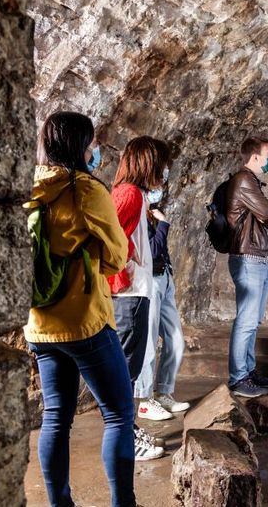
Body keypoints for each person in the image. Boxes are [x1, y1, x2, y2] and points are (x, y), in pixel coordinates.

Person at [25, 111, 136, 506]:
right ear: (79, 145)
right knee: (120, 415)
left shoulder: (29, 188)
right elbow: (117, 256)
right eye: (92, 142)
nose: (96, 150)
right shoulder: (85, 189)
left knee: (55, 418)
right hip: (84, 320)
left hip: (39, 324)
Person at [109, 136, 167, 460]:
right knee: (126, 371)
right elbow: (107, 236)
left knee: (129, 369)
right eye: (162, 163)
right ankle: (125, 438)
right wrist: (123, 272)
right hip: (128, 295)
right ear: (150, 162)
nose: (164, 170)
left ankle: (127, 431)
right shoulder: (129, 194)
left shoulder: (136, 196)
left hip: (134, 292)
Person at [134, 139, 190, 420]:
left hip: (164, 276)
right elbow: (150, 249)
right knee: (147, 345)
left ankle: (163, 393)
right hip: (150, 281)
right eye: (164, 167)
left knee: (176, 340)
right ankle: (145, 402)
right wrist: (164, 224)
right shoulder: (134, 201)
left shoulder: (150, 201)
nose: (166, 172)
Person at [225, 137, 268, 397]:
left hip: (257, 256)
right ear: (255, 157)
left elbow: (266, 219)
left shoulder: (251, 182)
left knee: (253, 321)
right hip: (249, 258)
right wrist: (266, 211)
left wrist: (265, 213)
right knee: (246, 321)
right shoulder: (245, 180)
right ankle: (238, 379)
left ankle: (248, 371)